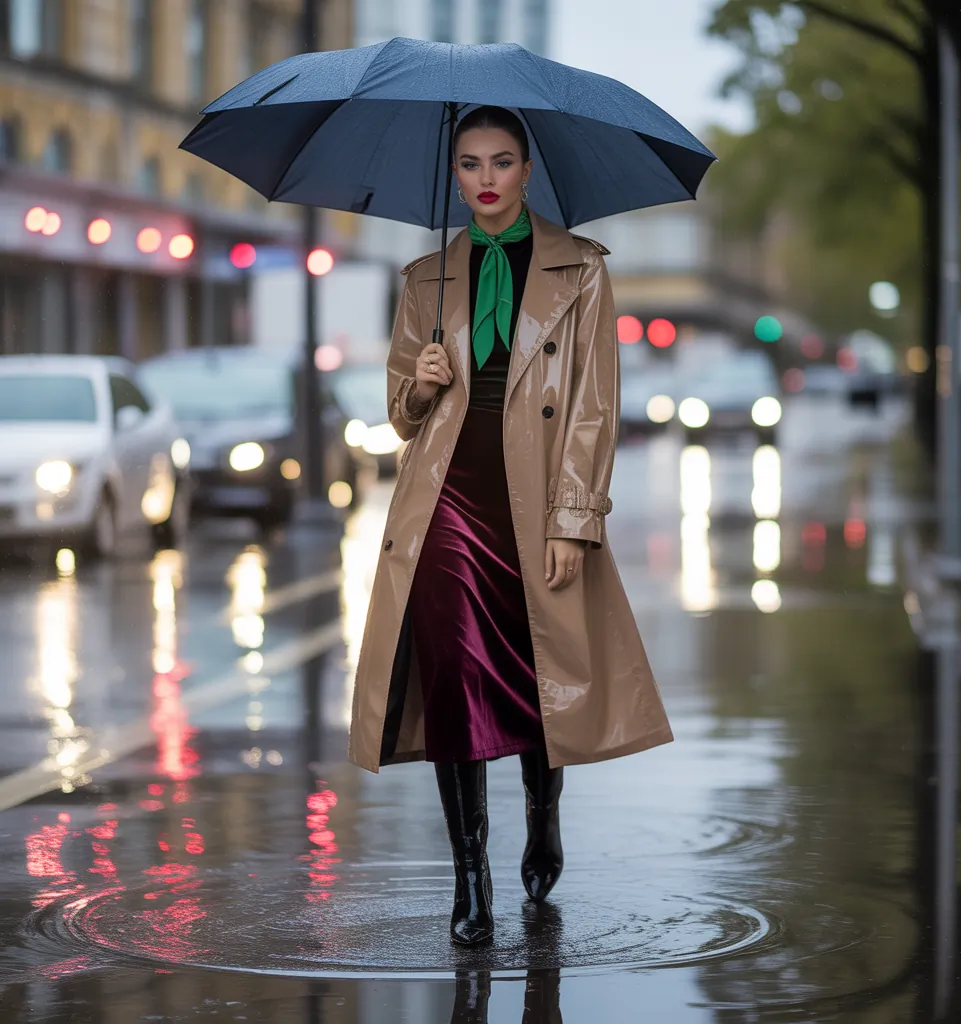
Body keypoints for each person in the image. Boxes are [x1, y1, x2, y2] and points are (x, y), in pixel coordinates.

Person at [348, 105, 673, 946]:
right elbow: (401, 417)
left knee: (538, 679)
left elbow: (594, 407)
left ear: (527, 172)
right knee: (454, 686)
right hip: (447, 501)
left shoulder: (582, 270)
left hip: (535, 497)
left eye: (500, 161)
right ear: (455, 177)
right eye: (469, 164)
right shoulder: (426, 278)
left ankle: (542, 813)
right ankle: (471, 879)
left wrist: (574, 520)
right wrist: (421, 382)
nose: (485, 178)